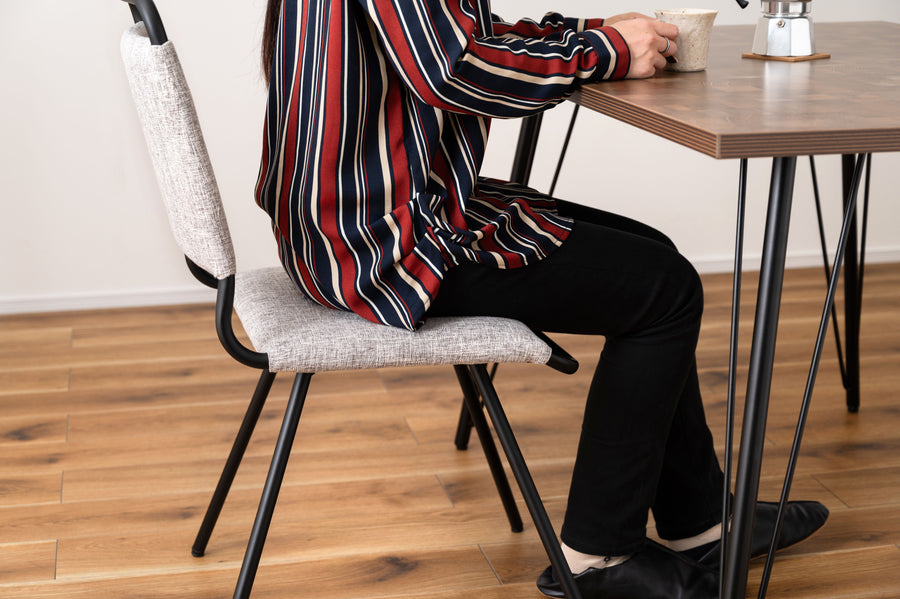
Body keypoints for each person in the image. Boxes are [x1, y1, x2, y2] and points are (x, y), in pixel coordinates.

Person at [254, 1, 829, 597]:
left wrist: (592, 37)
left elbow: (455, 39)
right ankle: (598, 559)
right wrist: (606, 52)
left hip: (343, 220)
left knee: (654, 257)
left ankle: (702, 523)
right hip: (385, 242)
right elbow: (452, 69)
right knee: (665, 290)